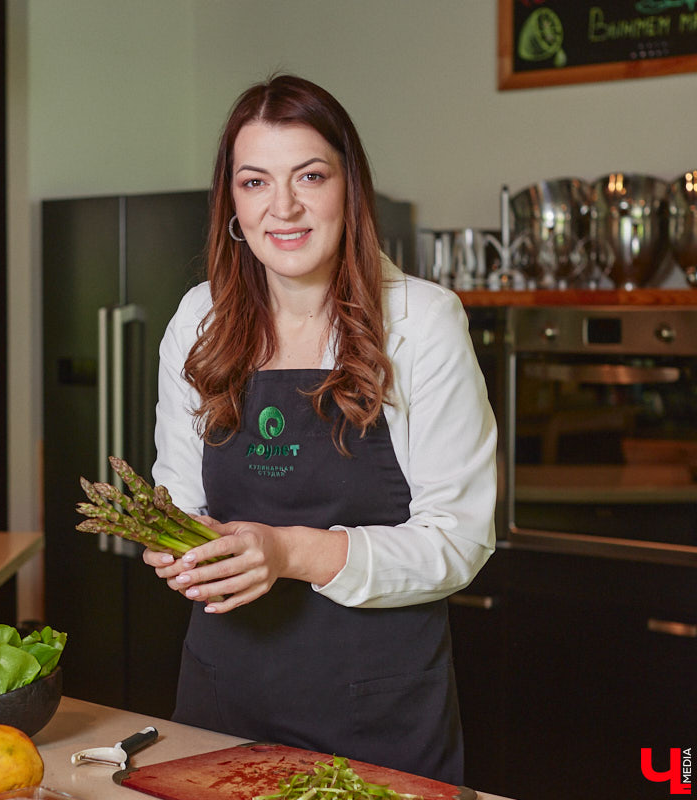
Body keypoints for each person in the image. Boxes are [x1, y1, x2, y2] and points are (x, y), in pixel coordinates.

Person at [146, 74, 497, 785]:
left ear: (349, 190)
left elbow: (459, 541)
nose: (284, 206)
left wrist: (286, 552)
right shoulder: (199, 319)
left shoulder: (421, 323)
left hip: (376, 713)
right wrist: (175, 545)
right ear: (233, 204)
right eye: (255, 182)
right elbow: (178, 500)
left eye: (310, 175)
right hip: (220, 701)